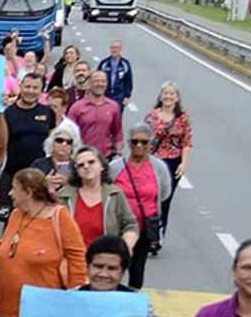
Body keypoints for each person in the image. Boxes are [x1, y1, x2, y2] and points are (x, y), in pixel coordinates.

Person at [0, 168, 88, 317]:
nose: (10, 193)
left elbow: (77, 256)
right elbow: (6, 244)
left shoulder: (59, 217)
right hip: (10, 308)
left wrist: (77, 297)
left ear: (28, 192)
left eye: (14, 188)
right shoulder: (16, 215)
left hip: (44, 310)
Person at [109, 123, 172, 288]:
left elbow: (164, 193)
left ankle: (133, 304)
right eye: (135, 141)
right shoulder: (115, 167)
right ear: (129, 144)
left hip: (144, 227)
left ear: (150, 144)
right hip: (118, 227)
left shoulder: (159, 168)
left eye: (144, 142)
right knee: (114, 267)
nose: (139, 146)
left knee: (137, 269)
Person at [0, 71, 56, 218]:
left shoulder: (47, 112)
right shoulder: (8, 112)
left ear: (41, 91)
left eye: (35, 88)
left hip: (39, 176)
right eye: (27, 87)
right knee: (9, 217)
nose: (30, 91)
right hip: (11, 174)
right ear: (20, 86)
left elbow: (52, 141)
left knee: (37, 214)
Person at [143, 83, 192, 250]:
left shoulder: (182, 118)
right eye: (165, 93)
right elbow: (142, 139)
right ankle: (149, 233)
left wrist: (184, 163)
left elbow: (187, 142)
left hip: (173, 161)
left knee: (165, 199)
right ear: (160, 96)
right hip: (153, 161)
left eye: (172, 94)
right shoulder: (152, 116)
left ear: (177, 98)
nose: (168, 97)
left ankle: (159, 234)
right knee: (151, 197)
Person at [59, 146, 137, 252]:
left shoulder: (115, 194)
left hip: (105, 260)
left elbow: (130, 225)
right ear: (76, 171)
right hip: (73, 261)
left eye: (91, 162)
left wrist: (125, 247)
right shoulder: (63, 196)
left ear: (102, 166)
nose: (86, 166)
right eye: (81, 165)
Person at [66, 70, 122, 158]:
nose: (100, 84)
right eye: (96, 81)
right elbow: (68, 133)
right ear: (89, 83)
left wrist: (118, 152)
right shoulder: (77, 107)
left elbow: (117, 132)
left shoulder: (113, 107)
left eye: (103, 81)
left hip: (105, 157)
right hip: (82, 157)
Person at [29, 123, 81, 195]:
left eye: (69, 142)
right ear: (51, 143)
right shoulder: (39, 164)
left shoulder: (78, 166)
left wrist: (68, 183)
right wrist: (44, 182)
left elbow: (86, 187)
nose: (64, 144)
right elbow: (28, 187)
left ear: (73, 146)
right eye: (59, 140)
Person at [96, 40, 133, 112]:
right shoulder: (104, 63)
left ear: (120, 49)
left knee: (116, 117)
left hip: (119, 97)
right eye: (112, 48)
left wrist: (127, 96)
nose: (114, 50)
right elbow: (96, 78)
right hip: (105, 95)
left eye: (116, 48)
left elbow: (128, 81)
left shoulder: (125, 64)